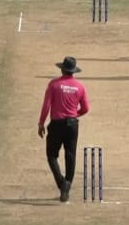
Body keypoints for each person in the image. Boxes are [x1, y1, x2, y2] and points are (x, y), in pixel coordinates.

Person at [38, 56, 90, 202]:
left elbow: (46, 105)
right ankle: (66, 185)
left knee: (52, 155)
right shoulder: (80, 87)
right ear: (74, 71)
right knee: (70, 155)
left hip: (57, 124)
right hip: (72, 125)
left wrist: (41, 123)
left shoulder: (54, 84)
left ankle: (62, 184)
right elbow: (86, 108)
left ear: (62, 69)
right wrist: (74, 115)